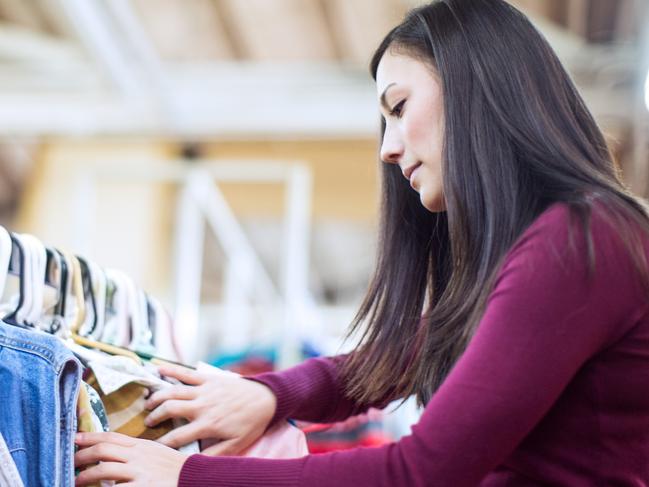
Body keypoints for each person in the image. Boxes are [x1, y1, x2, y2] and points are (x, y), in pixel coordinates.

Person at [73, 0, 649, 485]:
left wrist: (186, 476)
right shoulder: (561, 244)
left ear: (479, 87)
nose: (387, 149)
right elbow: (404, 354)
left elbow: (420, 472)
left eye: (399, 108)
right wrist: (272, 395)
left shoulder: (577, 243)